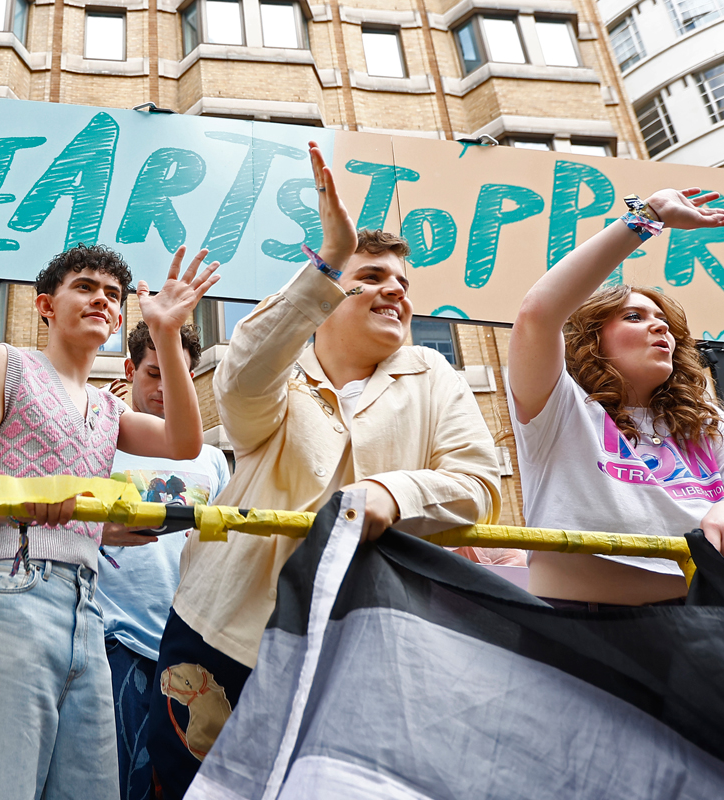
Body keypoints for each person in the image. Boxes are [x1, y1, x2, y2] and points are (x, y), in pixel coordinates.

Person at [150, 142, 507, 797]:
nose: (394, 290)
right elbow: (241, 384)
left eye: (403, 283)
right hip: (227, 638)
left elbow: (479, 489)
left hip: (364, 651)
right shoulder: (279, 374)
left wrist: (389, 494)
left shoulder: (434, 374)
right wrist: (329, 259)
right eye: (370, 276)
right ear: (328, 293)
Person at [0, 243, 220, 800]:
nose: (101, 300)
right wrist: (23, 500)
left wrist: (166, 332)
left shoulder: (110, 408)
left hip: (90, 606)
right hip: (13, 582)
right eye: (84, 287)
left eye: (112, 294)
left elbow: (184, 442)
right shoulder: (7, 363)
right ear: (45, 305)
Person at [507, 188, 724, 607]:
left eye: (664, 321)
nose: (659, 328)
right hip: (583, 635)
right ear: (591, 339)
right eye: (633, 317)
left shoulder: (707, 419)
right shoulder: (557, 406)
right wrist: (649, 217)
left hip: (716, 633)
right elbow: (537, 312)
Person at [98, 321, 231, 800]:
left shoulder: (212, 459)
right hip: (113, 640)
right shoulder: (100, 439)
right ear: (130, 369)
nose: (163, 387)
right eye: (153, 373)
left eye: (176, 375)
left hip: (189, 649)